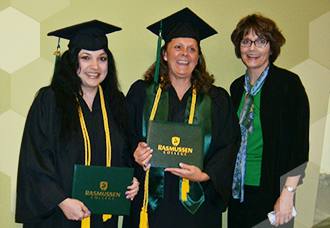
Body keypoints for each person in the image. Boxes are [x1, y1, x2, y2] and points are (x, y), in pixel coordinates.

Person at [122, 8, 241, 228]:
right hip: (148, 201)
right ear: (165, 55)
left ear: (198, 58)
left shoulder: (217, 99)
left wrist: (205, 175)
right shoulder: (141, 93)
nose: (184, 54)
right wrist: (134, 153)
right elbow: (124, 135)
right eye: (178, 47)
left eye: (191, 49)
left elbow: (229, 145)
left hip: (198, 205)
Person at [15, 20, 139, 228]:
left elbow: (124, 154)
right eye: (85, 58)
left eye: (102, 58)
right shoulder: (50, 100)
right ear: (72, 62)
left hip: (101, 217)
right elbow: (35, 159)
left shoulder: (116, 103)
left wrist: (130, 181)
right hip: (58, 217)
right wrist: (61, 201)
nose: (95, 66)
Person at [228, 14, 309, 228]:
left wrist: (288, 193)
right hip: (238, 191)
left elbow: (299, 145)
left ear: (271, 47)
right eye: (246, 41)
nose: (252, 48)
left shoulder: (288, 84)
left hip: (273, 192)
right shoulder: (236, 88)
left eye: (261, 41)